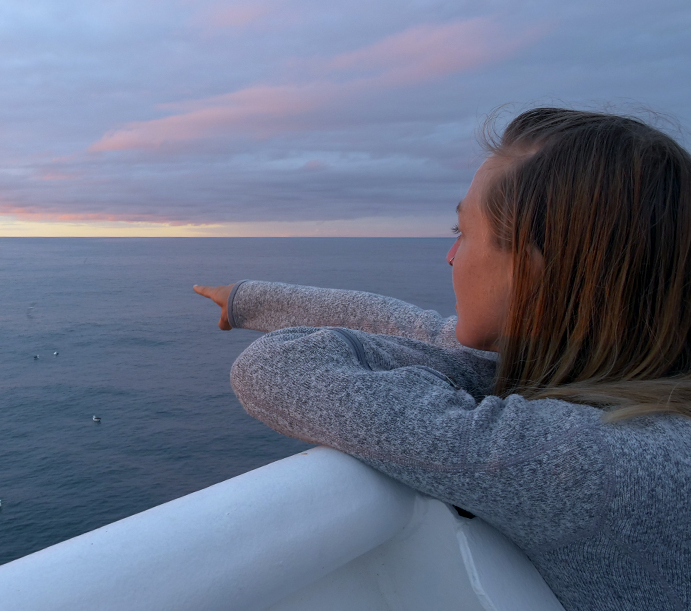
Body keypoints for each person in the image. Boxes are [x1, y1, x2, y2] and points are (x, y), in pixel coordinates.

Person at [194, 108, 691, 611]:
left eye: (462, 231)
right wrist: (249, 299)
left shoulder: (600, 466)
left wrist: (491, 368)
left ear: (542, 272)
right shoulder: (659, 402)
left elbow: (279, 368)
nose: (450, 256)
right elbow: (424, 330)